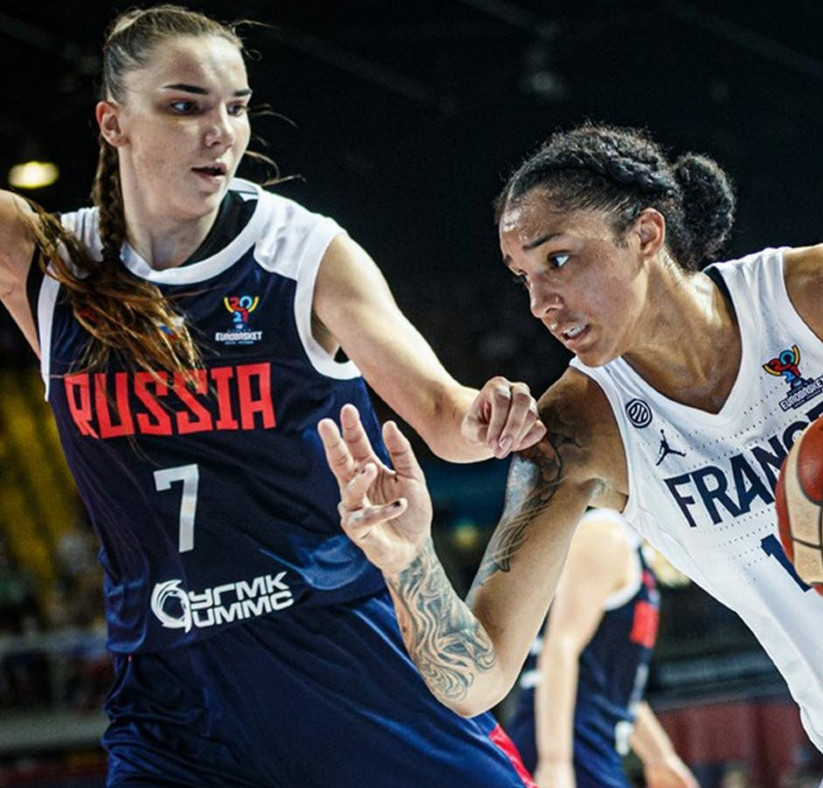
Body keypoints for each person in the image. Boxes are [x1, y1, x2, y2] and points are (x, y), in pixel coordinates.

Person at [322, 123, 823, 787]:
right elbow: (478, 678)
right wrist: (407, 560)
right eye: (522, 276)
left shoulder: (815, 294)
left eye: (558, 259)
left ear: (646, 234)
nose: (540, 302)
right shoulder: (577, 430)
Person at [0, 6, 546, 786]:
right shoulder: (50, 264)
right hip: (172, 703)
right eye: (185, 106)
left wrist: (488, 415)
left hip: (345, 668)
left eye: (236, 106)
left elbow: (442, 415)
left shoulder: (301, 252)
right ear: (112, 122)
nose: (219, 132)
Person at [506, 507, 697, 788]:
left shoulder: (634, 551)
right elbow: (560, 647)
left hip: (594, 740)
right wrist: (555, 762)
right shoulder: (605, 535)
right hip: (569, 736)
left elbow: (617, 685)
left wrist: (660, 756)